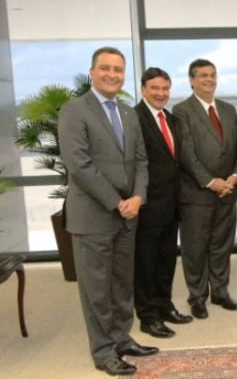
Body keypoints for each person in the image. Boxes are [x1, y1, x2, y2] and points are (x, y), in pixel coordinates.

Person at [58, 47, 156, 376]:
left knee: (121, 283)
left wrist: (139, 197)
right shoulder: (74, 111)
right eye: (105, 68)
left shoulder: (128, 113)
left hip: (129, 215)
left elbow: (142, 160)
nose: (112, 74)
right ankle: (103, 351)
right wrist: (117, 202)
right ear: (92, 72)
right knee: (96, 288)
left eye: (118, 69)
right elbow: (80, 165)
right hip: (94, 216)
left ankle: (121, 337)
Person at [173, 59, 237, 320]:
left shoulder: (227, 109)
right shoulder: (181, 111)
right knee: (195, 249)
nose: (209, 80)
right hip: (197, 194)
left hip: (228, 191)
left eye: (213, 75)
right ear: (191, 80)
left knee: (221, 245)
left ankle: (220, 291)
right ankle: (197, 297)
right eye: (203, 75)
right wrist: (210, 181)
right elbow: (187, 153)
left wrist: (234, 177)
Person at [133, 67, 193, 339]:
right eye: (155, 88)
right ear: (144, 88)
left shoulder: (170, 118)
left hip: (171, 204)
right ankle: (147, 316)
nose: (161, 94)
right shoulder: (134, 118)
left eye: (165, 89)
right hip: (147, 205)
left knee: (167, 259)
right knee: (145, 263)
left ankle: (164, 305)